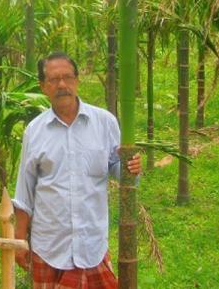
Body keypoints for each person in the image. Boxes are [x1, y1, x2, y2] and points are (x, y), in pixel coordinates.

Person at [12, 52, 141, 288]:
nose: (62, 85)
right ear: (43, 87)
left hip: (92, 247)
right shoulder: (35, 131)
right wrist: (19, 240)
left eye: (68, 77)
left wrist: (132, 168)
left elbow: (118, 168)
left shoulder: (105, 122)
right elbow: (24, 192)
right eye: (53, 79)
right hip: (49, 248)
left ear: (77, 81)